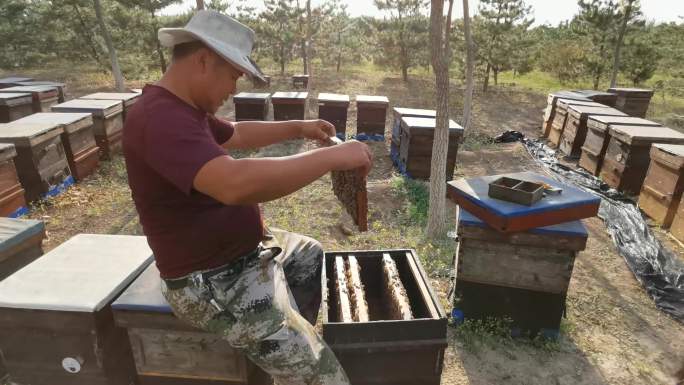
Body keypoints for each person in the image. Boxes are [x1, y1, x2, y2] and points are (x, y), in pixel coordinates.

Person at [122, 10, 372, 385]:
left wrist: (299, 126)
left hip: (242, 255)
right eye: (234, 74)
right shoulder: (159, 119)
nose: (235, 88)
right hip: (212, 281)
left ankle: (284, 348)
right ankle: (293, 356)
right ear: (205, 60)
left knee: (307, 254)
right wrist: (332, 157)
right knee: (328, 381)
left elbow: (235, 133)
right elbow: (233, 184)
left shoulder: (182, 109)